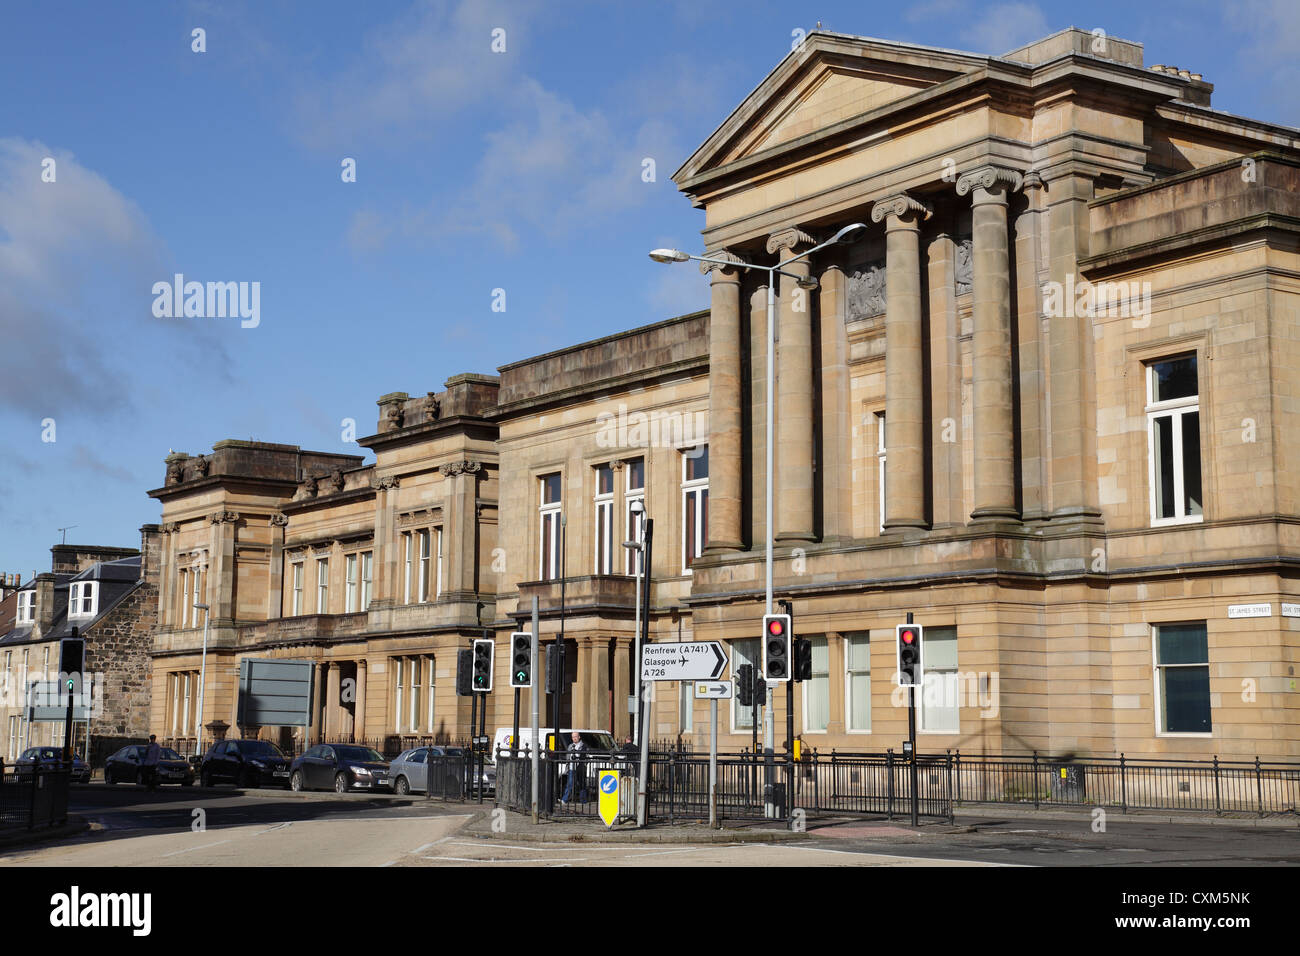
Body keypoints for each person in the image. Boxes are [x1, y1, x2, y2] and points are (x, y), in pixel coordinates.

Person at [560, 731, 585, 804]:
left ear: (579, 737)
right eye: (573, 737)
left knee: (581, 784)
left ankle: (583, 800)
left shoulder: (583, 746)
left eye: (575, 737)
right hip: (571, 768)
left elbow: (583, 756)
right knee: (570, 784)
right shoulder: (570, 746)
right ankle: (565, 799)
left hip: (580, 768)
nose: (574, 738)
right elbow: (568, 756)